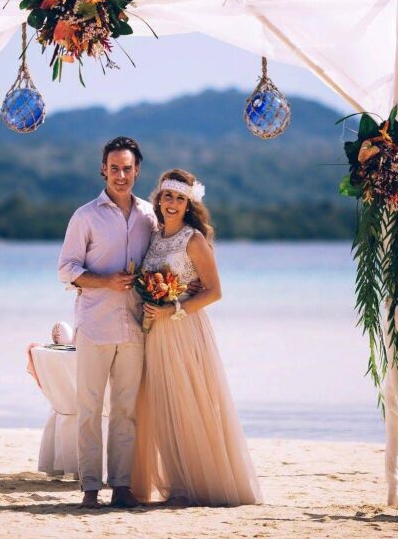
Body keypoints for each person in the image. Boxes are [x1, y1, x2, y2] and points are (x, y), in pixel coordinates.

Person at [131, 169, 263, 507]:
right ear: (158, 199)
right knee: (160, 406)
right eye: (168, 196)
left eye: (180, 198)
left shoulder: (194, 240)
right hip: (155, 332)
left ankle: (194, 485)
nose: (172, 203)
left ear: (189, 204)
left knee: (187, 405)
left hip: (183, 330)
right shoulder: (154, 237)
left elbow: (214, 292)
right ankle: (173, 483)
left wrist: (172, 309)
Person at [57, 136, 156, 509]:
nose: (121, 175)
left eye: (127, 168)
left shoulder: (149, 216)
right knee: (89, 409)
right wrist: (106, 281)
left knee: (126, 412)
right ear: (103, 169)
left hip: (135, 327)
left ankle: (123, 486)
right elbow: (66, 270)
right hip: (95, 326)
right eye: (114, 168)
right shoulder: (85, 216)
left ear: (137, 170)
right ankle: (89, 488)